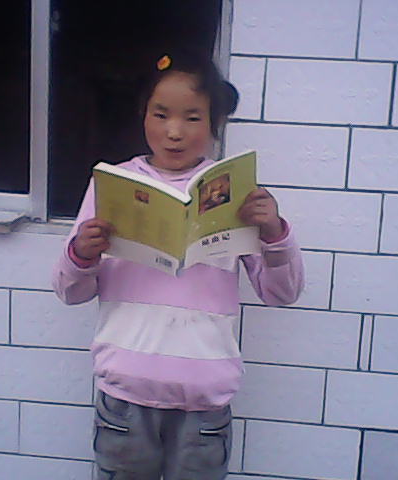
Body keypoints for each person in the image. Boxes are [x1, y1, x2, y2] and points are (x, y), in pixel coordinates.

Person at [52, 51, 305, 480]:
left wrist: (275, 232)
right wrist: (83, 252)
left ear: (214, 123)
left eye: (192, 117)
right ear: (143, 115)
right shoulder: (111, 186)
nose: (174, 131)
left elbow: (281, 293)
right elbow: (69, 290)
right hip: (125, 396)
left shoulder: (234, 192)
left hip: (205, 402)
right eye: (161, 114)